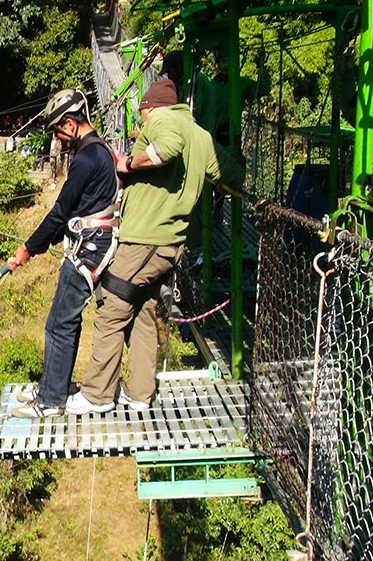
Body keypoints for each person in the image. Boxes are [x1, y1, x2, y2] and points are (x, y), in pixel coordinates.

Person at [66, 79, 245, 415]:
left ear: (149, 107)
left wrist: (129, 164)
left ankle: (97, 395)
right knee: (144, 309)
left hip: (146, 239)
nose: (141, 124)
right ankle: (139, 393)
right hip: (169, 244)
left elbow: (169, 146)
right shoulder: (202, 136)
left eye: (142, 116)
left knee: (112, 306)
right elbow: (233, 175)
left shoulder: (165, 120)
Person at [8, 89, 121, 418]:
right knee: (63, 321)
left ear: (70, 125)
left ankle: (52, 399)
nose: (58, 138)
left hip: (89, 248)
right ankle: (50, 388)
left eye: (58, 130)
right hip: (90, 241)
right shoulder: (99, 151)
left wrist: (28, 248)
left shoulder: (87, 158)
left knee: (60, 323)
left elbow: (60, 212)